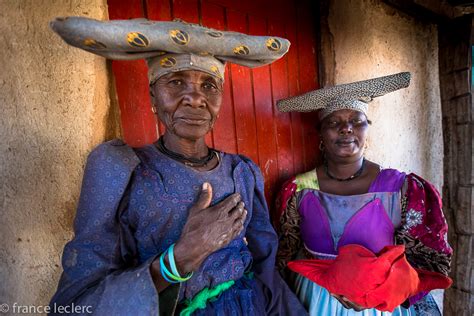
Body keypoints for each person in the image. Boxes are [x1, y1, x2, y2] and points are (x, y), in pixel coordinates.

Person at [49, 17, 306, 315]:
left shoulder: (242, 172)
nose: (196, 97)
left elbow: (265, 266)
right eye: (176, 82)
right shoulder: (120, 169)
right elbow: (76, 303)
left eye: (209, 85)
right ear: (153, 98)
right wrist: (181, 257)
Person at [275, 72, 452, 315]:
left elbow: (429, 258)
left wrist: (386, 289)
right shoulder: (297, 189)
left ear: (367, 130)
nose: (346, 128)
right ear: (320, 136)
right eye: (334, 123)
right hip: (315, 299)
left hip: (378, 304)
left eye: (356, 121)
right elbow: (285, 251)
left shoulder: (402, 189)